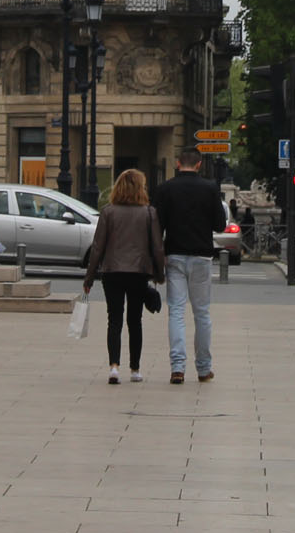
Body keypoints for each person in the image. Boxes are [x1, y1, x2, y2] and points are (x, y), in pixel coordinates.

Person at [83, 169, 164, 384]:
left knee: (114, 320)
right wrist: (159, 273)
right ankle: (135, 369)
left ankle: (113, 367)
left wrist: (89, 277)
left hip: (113, 271)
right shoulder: (149, 213)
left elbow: (98, 247)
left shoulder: (108, 212)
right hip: (138, 272)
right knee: (135, 321)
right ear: (141, 188)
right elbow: (157, 247)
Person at [154, 147, 226, 384]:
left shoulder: (165, 189)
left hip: (174, 253)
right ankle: (204, 368)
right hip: (202, 255)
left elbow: (158, 225)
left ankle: (178, 367)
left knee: (176, 310)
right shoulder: (210, 188)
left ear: (177, 163)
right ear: (198, 165)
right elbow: (220, 225)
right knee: (202, 313)